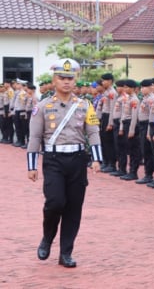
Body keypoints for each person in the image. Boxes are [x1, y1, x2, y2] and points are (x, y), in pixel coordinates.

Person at [28, 58, 103, 268]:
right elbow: (34, 137)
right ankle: (47, 237)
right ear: (54, 80)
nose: (67, 82)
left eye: (70, 78)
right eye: (62, 77)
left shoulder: (84, 105)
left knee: (73, 208)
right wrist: (32, 165)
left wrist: (97, 158)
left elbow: (93, 131)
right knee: (55, 202)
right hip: (53, 160)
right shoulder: (43, 106)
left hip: (78, 160)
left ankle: (66, 252)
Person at [99, 73, 118, 173]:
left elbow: (112, 109)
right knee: (104, 141)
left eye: (104, 80)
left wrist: (110, 123)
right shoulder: (106, 92)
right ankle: (105, 162)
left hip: (109, 117)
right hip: (104, 116)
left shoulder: (112, 93)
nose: (102, 83)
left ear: (110, 81)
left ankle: (112, 164)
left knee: (109, 142)